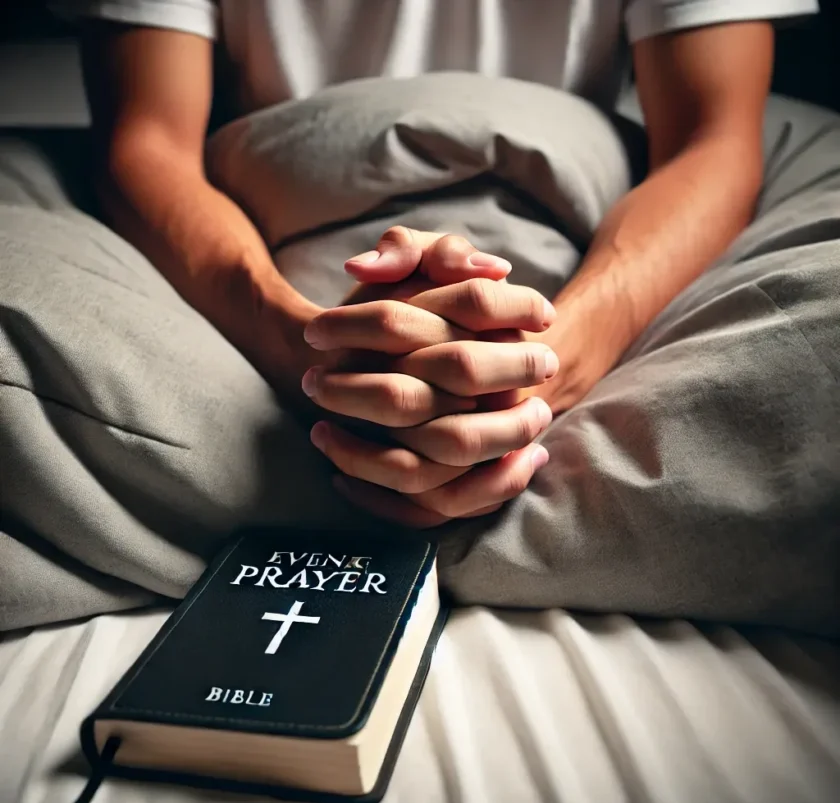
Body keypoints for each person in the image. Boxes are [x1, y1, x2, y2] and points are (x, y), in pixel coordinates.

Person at [64, 0, 816, 527]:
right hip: (269, 237)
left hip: (562, 235)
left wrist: (546, 365)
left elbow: (710, 146)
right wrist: (298, 341)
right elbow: (146, 144)